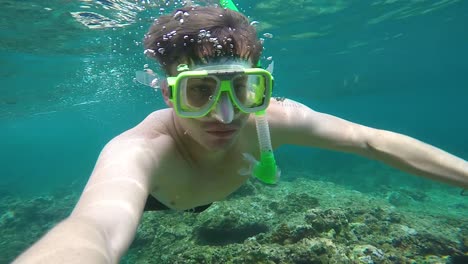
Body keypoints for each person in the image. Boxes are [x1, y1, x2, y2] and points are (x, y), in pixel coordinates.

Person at [14, 4, 468, 264]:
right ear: (168, 95)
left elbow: (373, 141)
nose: (226, 114)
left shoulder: (273, 120)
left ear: (262, 87)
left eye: (246, 89)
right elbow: (93, 226)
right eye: (199, 93)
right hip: (162, 198)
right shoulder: (139, 152)